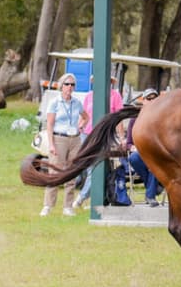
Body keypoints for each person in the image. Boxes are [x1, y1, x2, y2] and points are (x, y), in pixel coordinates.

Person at [73, 74, 126, 209]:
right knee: (84, 165)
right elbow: (85, 115)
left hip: (103, 136)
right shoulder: (89, 96)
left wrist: (121, 137)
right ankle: (91, 196)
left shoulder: (115, 96)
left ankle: (81, 197)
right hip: (87, 134)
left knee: (95, 166)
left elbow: (118, 118)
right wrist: (79, 127)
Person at [42, 73, 89, 217]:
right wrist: (51, 144)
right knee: (55, 173)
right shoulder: (55, 102)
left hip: (74, 139)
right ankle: (48, 205)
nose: (70, 87)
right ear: (61, 86)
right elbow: (49, 125)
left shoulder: (77, 102)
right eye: (67, 84)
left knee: (71, 172)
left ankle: (68, 206)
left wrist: (81, 126)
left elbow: (85, 116)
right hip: (59, 138)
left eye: (72, 84)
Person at [120, 89, 163, 207]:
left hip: (157, 155)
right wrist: (133, 147)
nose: (152, 101)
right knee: (133, 158)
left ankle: (150, 195)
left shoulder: (162, 118)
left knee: (154, 163)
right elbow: (128, 143)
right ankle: (155, 187)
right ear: (143, 101)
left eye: (155, 98)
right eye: (149, 99)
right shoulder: (136, 118)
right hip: (141, 153)